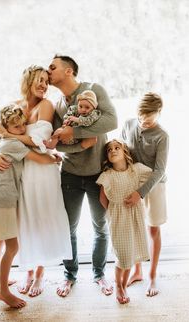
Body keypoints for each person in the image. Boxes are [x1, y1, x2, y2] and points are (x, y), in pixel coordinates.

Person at [0, 65, 72, 299]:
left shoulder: (47, 105)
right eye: (40, 80)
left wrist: (10, 136)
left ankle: (39, 274)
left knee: (43, 217)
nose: (44, 85)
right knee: (25, 221)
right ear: (28, 80)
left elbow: (39, 140)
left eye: (47, 81)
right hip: (21, 170)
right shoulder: (16, 105)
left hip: (42, 169)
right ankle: (27, 270)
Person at [48, 54, 118, 297]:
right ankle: (69, 276)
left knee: (101, 227)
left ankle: (99, 274)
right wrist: (82, 144)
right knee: (69, 228)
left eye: (52, 67)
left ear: (69, 71)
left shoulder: (93, 89)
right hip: (69, 173)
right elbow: (58, 143)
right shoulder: (57, 104)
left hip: (99, 174)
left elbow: (111, 121)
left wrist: (74, 130)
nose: (48, 71)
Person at [0, 104, 60, 308]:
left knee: (2, 243)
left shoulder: (4, 140)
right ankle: (3, 292)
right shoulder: (12, 144)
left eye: (22, 125)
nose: (21, 129)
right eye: (16, 127)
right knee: (13, 246)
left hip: (0, 198)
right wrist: (54, 158)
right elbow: (38, 158)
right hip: (4, 200)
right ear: (5, 128)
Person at [121, 92, 169, 297]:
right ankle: (137, 271)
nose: (143, 121)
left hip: (154, 185)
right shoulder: (129, 124)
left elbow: (160, 170)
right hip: (132, 183)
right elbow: (124, 152)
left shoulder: (162, 136)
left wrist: (140, 193)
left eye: (149, 117)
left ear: (159, 113)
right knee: (135, 229)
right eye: (141, 116)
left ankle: (152, 276)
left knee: (152, 230)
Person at [96, 139, 152, 304]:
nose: (113, 150)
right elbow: (102, 199)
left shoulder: (136, 170)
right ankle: (119, 285)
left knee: (132, 254)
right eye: (109, 150)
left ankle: (124, 285)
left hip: (135, 218)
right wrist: (115, 211)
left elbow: (154, 175)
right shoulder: (107, 175)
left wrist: (139, 194)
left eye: (117, 148)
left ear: (124, 152)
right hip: (119, 220)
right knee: (122, 256)